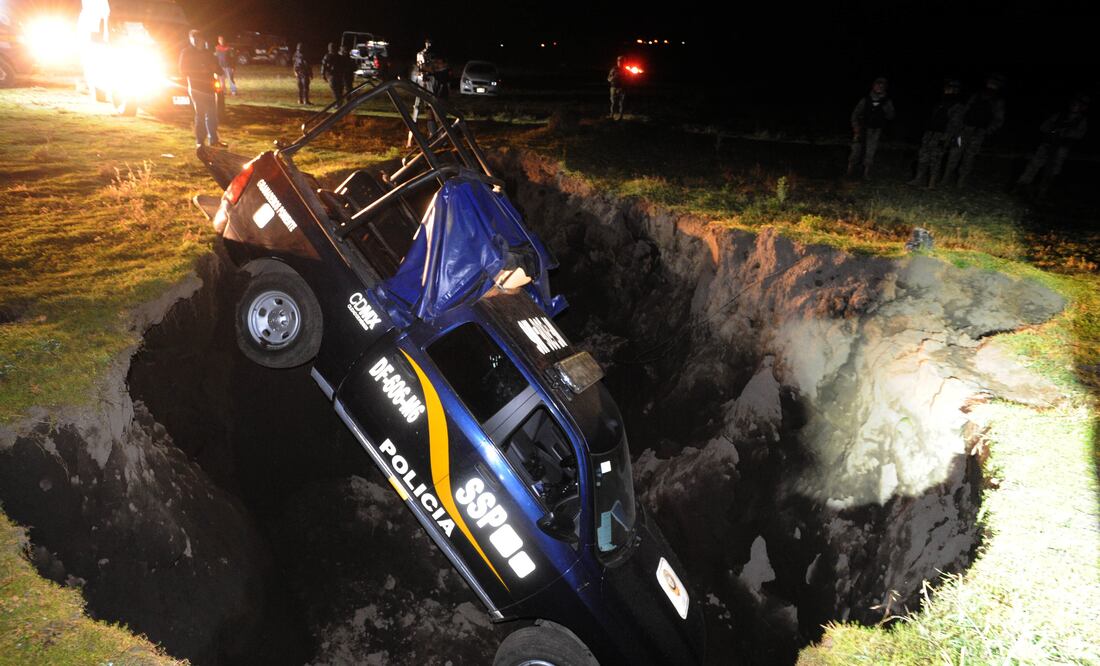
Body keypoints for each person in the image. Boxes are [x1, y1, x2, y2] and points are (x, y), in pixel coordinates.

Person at [1016, 94, 1089, 197]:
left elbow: (1079, 134)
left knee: (1052, 170)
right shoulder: (1059, 115)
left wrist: (1065, 132)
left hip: (1061, 148)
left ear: (1083, 107)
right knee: (1034, 164)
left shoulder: (1081, 120)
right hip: (1047, 144)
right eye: (1074, 103)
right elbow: (1043, 126)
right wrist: (1052, 130)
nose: (1074, 106)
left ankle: (1041, 191)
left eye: (1078, 104)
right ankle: (1021, 185)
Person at [942, 74, 1006, 188]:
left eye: (994, 83)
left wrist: (987, 131)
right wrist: (959, 126)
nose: (991, 85)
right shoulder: (976, 95)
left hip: (978, 133)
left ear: (998, 86)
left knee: (969, 157)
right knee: (954, 152)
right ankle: (945, 178)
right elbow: (964, 110)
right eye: (990, 82)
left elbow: (999, 120)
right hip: (963, 130)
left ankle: (961, 181)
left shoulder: (997, 101)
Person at [908, 78, 966, 188]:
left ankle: (932, 182)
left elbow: (955, 124)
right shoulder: (940, 102)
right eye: (946, 88)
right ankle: (918, 179)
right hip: (930, 133)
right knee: (923, 156)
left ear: (955, 90)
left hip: (942, 135)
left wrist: (946, 137)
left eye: (949, 88)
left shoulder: (958, 106)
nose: (946, 90)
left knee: (936, 158)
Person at [179, 29, 224, 149]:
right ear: (191, 39)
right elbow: (183, 70)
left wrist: (213, 67)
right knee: (200, 115)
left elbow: (219, 70)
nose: (198, 41)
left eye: (199, 39)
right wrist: (199, 70)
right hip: (196, 88)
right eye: (195, 39)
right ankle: (200, 141)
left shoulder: (208, 53)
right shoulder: (186, 52)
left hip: (210, 88)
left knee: (212, 116)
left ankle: (213, 140)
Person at [847, 76, 895, 180]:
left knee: (870, 151)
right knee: (856, 150)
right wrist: (856, 127)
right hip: (862, 129)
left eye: (882, 85)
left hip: (875, 131)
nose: (879, 87)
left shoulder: (887, 101)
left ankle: (866, 174)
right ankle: (849, 171)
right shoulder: (865, 99)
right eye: (877, 84)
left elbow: (890, 116)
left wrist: (886, 106)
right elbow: (855, 114)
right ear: (873, 85)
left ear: (885, 87)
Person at [607, 56, 625, 120]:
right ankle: (612, 115)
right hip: (613, 88)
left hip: (621, 88)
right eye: (619, 61)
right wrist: (613, 77)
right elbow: (608, 78)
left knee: (621, 103)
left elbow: (630, 79)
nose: (620, 62)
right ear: (617, 61)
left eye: (621, 61)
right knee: (613, 102)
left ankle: (621, 116)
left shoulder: (626, 70)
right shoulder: (614, 69)